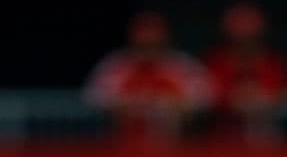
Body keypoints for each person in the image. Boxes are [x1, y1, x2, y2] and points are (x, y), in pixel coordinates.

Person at [84, 11, 214, 141]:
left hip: (174, 143)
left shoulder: (182, 66)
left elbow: (205, 98)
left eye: (153, 45)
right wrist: (132, 105)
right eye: (143, 46)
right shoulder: (115, 66)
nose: (148, 52)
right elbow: (94, 99)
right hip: (121, 141)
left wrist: (169, 106)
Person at [203, 3, 287, 139]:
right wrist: (234, 99)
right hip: (224, 136)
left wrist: (260, 99)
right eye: (240, 39)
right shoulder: (217, 62)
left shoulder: (273, 63)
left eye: (250, 38)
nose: (245, 44)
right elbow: (208, 96)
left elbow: (282, 96)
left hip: (266, 136)